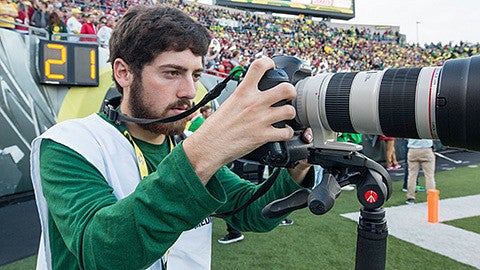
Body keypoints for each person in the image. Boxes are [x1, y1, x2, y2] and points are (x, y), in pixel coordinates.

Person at [30, 6, 314, 270]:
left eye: (196, 74)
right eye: (172, 73)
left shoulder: (183, 142)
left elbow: (250, 210)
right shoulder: (69, 143)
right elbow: (102, 254)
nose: (190, 91)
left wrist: (296, 168)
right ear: (124, 72)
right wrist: (204, 151)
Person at [405, 139, 436, 205]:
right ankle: (431, 198)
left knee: (412, 175)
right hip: (426, 149)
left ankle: (410, 197)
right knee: (429, 176)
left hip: (413, 150)